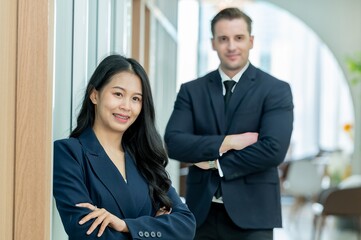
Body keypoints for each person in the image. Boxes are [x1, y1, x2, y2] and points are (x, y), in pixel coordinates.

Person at [164, 7, 293, 240]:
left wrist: (214, 162)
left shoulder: (275, 90)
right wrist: (228, 142)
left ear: (251, 41)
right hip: (201, 214)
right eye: (223, 39)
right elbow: (174, 143)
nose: (231, 46)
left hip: (253, 215)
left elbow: (273, 149)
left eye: (239, 38)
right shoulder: (191, 91)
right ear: (213, 43)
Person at [53, 54, 196, 240]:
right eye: (118, 94)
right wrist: (155, 229)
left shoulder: (144, 159)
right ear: (94, 95)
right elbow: (86, 233)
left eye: (136, 99)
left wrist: (125, 225)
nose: (126, 106)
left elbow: (186, 226)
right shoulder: (69, 153)